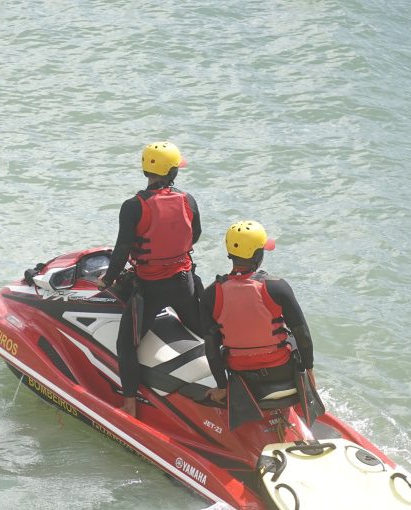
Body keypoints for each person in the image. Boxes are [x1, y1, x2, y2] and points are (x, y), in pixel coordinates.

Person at [99, 141, 202, 417]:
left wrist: (106, 281)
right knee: (206, 331)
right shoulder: (188, 200)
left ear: (146, 169)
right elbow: (196, 234)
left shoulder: (132, 206)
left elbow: (121, 251)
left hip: (150, 289)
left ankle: (130, 404)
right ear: (172, 172)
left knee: (126, 344)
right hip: (184, 284)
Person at [200, 220, 316, 412]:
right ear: (258, 255)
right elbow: (302, 332)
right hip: (282, 371)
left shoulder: (211, 294)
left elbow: (210, 347)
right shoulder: (277, 287)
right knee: (292, 336)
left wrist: (222, 387)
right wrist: (309, 371)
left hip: (241, 375)